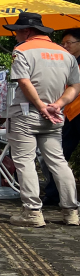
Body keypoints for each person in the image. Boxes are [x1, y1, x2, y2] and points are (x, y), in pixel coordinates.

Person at [4, 12, 80, 227]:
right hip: (55, 116)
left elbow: (24, 83)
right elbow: (75, 86)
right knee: (58, 161)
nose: (15, 35)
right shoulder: (64, 53)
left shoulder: (22, 50)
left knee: (25, 161)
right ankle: (71, 211)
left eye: (17, 31)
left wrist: (40, 106)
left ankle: (32, 212)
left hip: (26, 114)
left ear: (26, 31)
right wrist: (58, 105)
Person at [43, 28, 80, 205]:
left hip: (75, 112)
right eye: (63, 43)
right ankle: (53, 194)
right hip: (69, 115)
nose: (65, 46)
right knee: (59, 154)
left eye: (69, 43)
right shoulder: (66, 62)